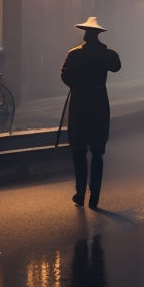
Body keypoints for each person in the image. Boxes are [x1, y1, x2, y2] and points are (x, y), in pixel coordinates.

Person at [61, 16, 121, 209]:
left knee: (78, 150)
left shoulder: (74, 54)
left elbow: (65, 75)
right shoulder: (107, 54)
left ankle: (80, 193)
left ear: (86, 35)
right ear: (98, 35)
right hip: (99, 106)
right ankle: (94, 195)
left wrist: (77, 84)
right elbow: (117, 66)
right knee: (97, 152)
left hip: (79, 106)